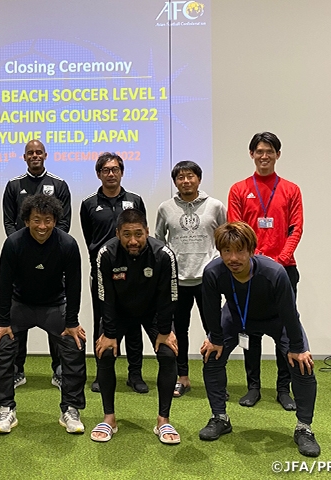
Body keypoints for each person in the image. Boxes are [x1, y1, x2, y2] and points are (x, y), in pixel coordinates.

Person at [199, 221, 319, 457]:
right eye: (226, 251)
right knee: (212, 357)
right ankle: (220, 418)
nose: (233, 258)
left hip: (277, 319)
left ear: (252, 250)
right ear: (220, 251)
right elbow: (211, 308)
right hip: (236, 316)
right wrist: (215, 338)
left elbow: (289, 311)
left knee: (303, 365)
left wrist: (297, 347)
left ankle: (304, 428)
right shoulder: (213, 272)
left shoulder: (274, 272)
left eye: (240, 251)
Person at [0, 194, 86, 434]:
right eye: (36, 220)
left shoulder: (67, 244)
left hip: (54, 305)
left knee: (74, 345)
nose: (42, 226)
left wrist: (73, 321)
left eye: (47, 220)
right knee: (1, 344)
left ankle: (71, 409)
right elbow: (4, 283)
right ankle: (5, 408)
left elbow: (74, 285)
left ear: (55, 221)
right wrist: (2, 320)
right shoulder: (13, 243)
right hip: (20, 304)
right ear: (26, 221)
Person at [227, 132, 302, 411]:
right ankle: (253, 387)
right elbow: (235, 230)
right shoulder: (239, 189)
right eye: (259, 151)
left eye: (270, 151)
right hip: (248, 272)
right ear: (251, 154)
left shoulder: (291, 189)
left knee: (285, 331)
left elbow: (296, 229)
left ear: (278, 155)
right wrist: (254, 262)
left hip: (284, 271)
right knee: (250, 329)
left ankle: (283, 389)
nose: (264, 156)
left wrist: (279, 262)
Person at [91, 208, 180, 444]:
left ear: (147, 232)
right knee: (105, 353)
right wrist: (109, 333)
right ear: (117, 233)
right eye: (127, 234)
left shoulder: (163, 255)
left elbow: (169, 296)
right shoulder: (106, 254)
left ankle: (163, 421)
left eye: (138, 234)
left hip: (153, 312)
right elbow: (104, 297)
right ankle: (109, 419)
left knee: (168, 354)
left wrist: (164, 331)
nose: (133, 241)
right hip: (119, 312)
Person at [2, 139, 71, 388]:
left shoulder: (59, 185)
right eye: (30, 153)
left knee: (55, 317)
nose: (35, 156)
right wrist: (23, 248)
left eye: (38, 152)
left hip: (51, 261)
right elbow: (9, 221)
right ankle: (17, 370)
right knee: (18, 315)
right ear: (24, 157)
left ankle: (59, 370)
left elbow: (64, 223)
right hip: (22, 261)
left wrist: (46, 248)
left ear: (45, 155)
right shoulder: (14, 185)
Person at [155, 161, 226, 397]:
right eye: (181, 177)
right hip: (178, 281)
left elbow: (225, 238)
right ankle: (182, 378)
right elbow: (158, 240)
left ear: (199, 179)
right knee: (179, 332)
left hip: (208, 280)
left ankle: (215, 378)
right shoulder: (165, 208)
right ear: (175, 182)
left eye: (190, 176)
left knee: (213, 331)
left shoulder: (215, 206)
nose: (186, 181)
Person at [80, 152, 147, 394]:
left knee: (134, 323)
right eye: (106, 170)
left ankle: (135, 374)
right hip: (103, 273)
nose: (111, 174)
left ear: (122, 172)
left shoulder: (135, 200)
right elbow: (90, 239)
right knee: (102, 321)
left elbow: (142, 235)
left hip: (133, 274)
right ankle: (103, 374)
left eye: (115, 169)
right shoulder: (89, 204)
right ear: (99, 174)